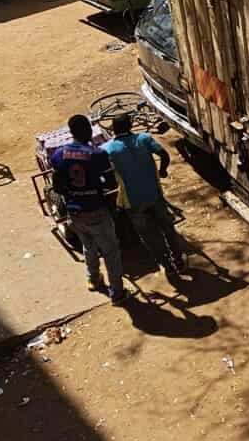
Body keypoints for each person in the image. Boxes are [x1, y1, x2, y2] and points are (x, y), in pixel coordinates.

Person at [49, 114, 127, 304]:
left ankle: (93, 279)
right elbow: (109, 182)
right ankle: (117, 292)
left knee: (88, 246)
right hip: (97, 210)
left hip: (75, 212)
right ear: (89, 131)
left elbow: (57, 187)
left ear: (71, 132)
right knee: (110, 252)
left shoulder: (59, 155)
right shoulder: (97, 154)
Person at [102, 114, 184, 281]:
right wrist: (163, 171)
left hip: (132, 202)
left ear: (113, 129)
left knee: (149, 236)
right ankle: (179, 261)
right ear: (131, 125)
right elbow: (164, 154)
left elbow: (104, 172)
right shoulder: (144, 138)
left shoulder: (108, 149)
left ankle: (167, 266)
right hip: (155, 195)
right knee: (167, 228)